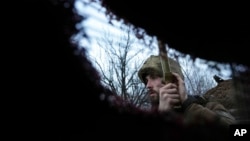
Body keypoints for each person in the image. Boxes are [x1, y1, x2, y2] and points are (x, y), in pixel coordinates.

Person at [138, 55, 235, 127]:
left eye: (154, 77)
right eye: (146, 80)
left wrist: (189, 105)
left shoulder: (209, 107)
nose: (147, 85)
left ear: (174, 79)